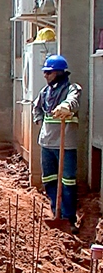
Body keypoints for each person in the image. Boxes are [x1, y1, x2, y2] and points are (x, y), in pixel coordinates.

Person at [33, 54, 82, 234]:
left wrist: (66, 107)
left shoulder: (72, 89)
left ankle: (68, 217)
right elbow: (36, 107)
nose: (45, 75)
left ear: (60, 72)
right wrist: (39, 120)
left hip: (65, 143)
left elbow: (74, 101)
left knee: (68, 181)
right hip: (47, 143)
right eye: (45, 72)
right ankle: (56, 212)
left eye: (49, 72)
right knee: (49, 179)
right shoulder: (45, 92)